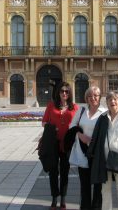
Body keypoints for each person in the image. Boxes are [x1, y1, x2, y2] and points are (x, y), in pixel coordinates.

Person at [87, 90, 118, 210]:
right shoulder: (103, 117)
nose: (112, 101)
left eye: (115, 99)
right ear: (107, 103)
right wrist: (91, 152)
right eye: (110, 100)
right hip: (104, 158)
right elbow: (96, 135)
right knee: (105, 189)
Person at [42, 81, 79, 210]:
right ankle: (54, 198)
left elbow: (79, 124)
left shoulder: (74, 107)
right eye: (62, 91)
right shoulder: (51, 106)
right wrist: (53, 128)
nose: (64, 93)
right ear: (58, 93)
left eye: (67, 91)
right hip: (53, 143)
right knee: (53, 172)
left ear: (70, 93)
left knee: (64, 172)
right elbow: (44, 122)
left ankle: (63, 199)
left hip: (67, 144)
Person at [69, 86, 105, 210]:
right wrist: (80, 135)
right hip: (82, 152)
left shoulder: (104, 112)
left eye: (96, 95)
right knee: (84, 185)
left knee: (97, 186)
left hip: (98, 154)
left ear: (100, 97)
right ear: (86, 98)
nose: (93, 98)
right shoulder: (82, 110)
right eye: (90, 96)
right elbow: (72, 125)